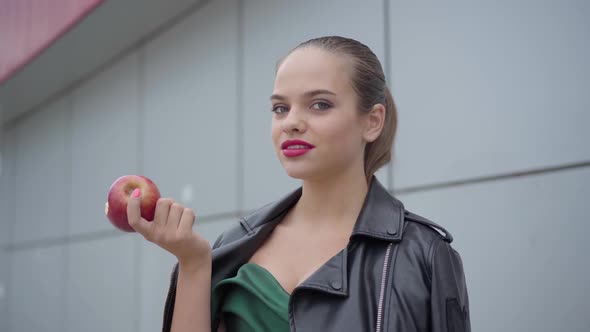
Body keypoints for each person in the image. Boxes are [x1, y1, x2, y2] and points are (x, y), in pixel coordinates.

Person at [127, 36, 470, 332]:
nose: (291, 123)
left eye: (319, 104)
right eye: (280, 108)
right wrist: (194, 264)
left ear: (372, 121)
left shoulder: (424, 255)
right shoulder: (232, 246)